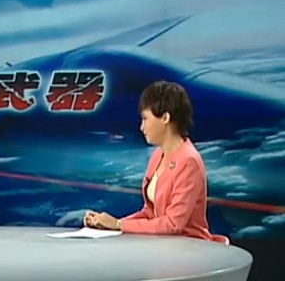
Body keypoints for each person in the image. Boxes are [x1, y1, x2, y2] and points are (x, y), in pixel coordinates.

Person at [84, 81, 220, 241]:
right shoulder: (157, 155)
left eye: (145, 119)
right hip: (161, 244)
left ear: (165, 118)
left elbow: (173, 224)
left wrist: (118, 224)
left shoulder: (189, 161)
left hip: (190, 246)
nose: (142, 127)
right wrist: (108, 225)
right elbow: (150, 213)